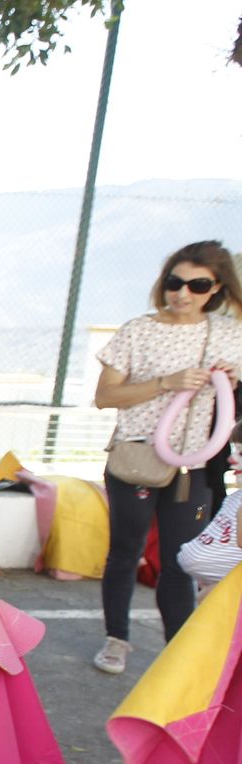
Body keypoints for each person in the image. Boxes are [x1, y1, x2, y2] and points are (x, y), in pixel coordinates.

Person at [91, 240, 242, 674]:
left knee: (181, 559)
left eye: (198, 285)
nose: (183, 293)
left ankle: (179, 654)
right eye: (176, 282)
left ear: (217, 288)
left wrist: (230, 381)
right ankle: (116, 639)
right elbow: (105, 396)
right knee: (126, 551)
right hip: (137, 457)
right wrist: (165, 383)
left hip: (195, 466)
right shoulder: (138, 331)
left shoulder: (228, 334)